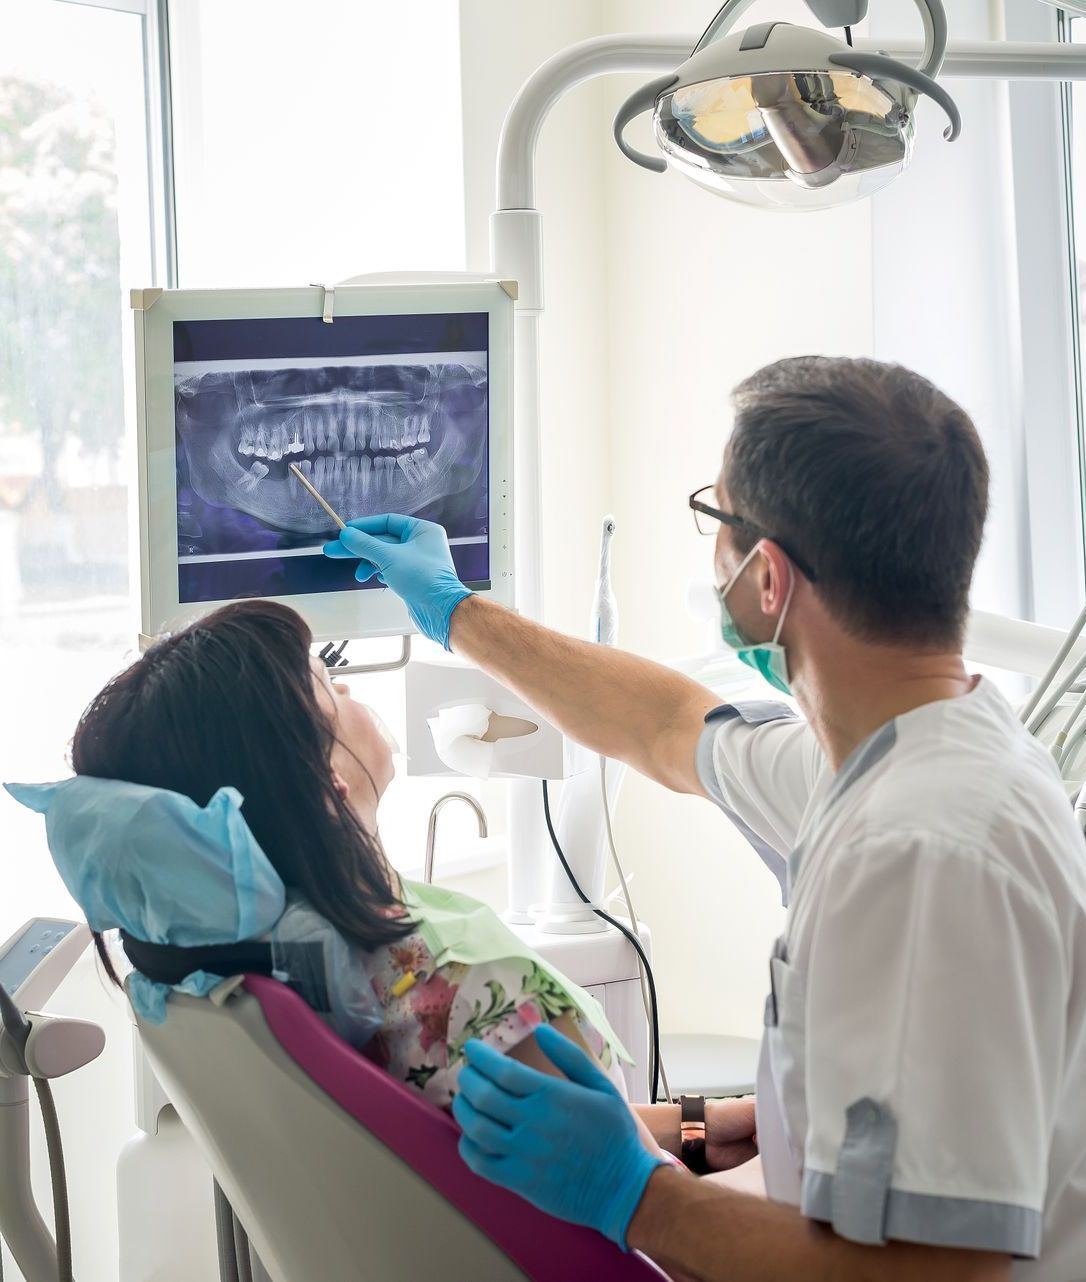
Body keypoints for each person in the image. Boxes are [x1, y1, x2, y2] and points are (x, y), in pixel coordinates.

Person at [322, 355, 1086, 1282]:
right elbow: (665, 725)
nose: (709, 547)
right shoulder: (902, 752)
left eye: (715, 520)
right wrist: (456, 614)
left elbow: (935, 1274)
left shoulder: (919, 850)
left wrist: (638, 1193)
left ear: (769, 579)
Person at [20, 596, 751, 1165]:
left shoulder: (256, 978)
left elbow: (515, 1134)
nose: (351, 693)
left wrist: (698, 1126)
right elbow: (638, 1212)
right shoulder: (474, 993)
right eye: (330, 688)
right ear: (328, 781)